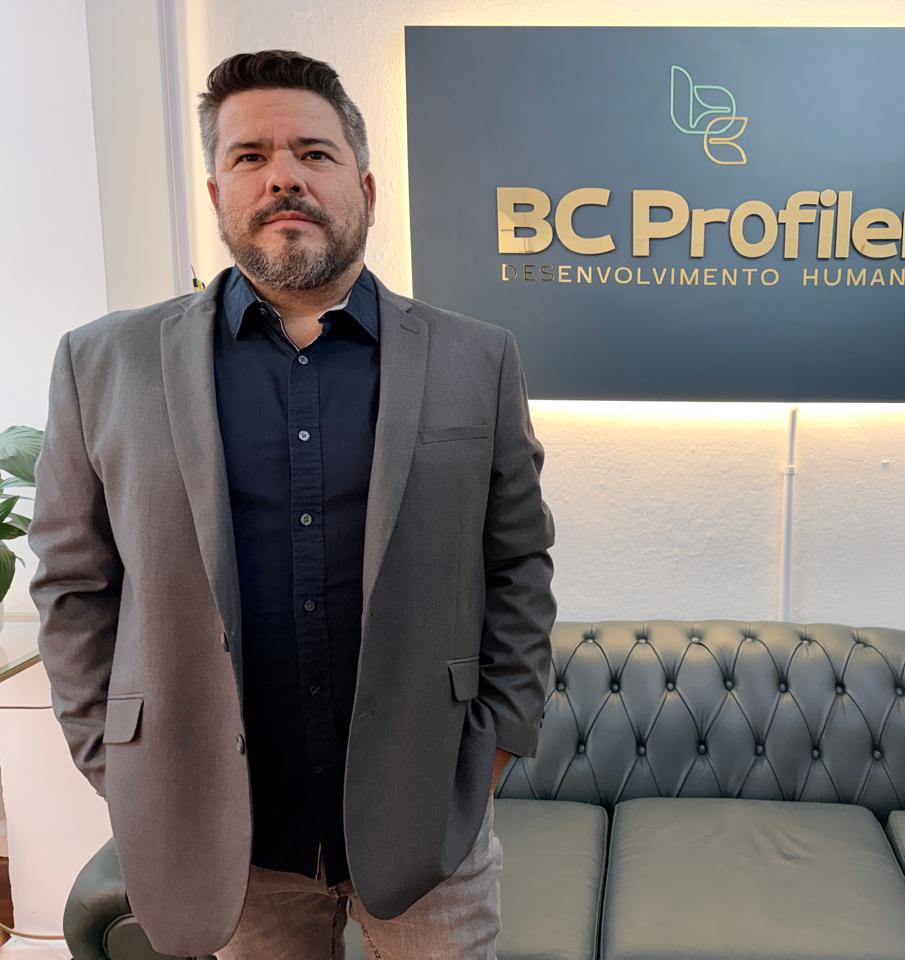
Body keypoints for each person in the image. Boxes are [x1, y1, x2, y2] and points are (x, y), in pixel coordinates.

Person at [27, 48, 556, 959]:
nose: (283, 177)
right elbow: (73, 586)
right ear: (216, 193)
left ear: (365, 188)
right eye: (250, 156)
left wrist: (497, 742)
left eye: (313, 153)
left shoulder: (479, 359)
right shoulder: (102, 363)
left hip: (429, 829)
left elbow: (517, 564)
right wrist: (116, 759)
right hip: (232, 847)